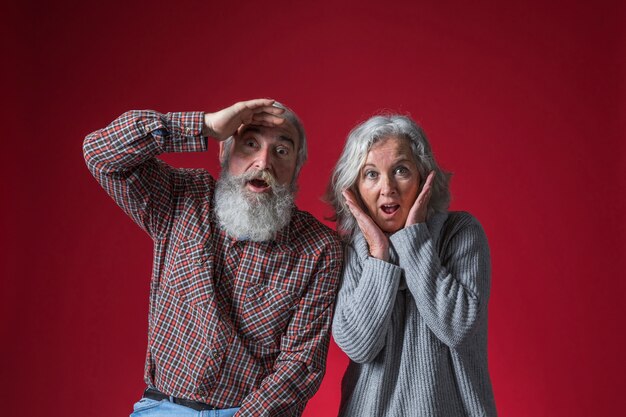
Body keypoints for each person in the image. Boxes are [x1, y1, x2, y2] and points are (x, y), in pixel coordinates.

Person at [83, 99, 343, 417]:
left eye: (282, 151)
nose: (264, 162)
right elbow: (101, 153)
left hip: (247, 413)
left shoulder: (319, 249)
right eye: (250, 144)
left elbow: (301, 363)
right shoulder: (183, 196)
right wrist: (205, 125)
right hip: (165, 407)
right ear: (223, 151)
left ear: (296, 168)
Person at [327, 114, 496, 416]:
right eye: (371, 174)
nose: (387, 187)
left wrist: (413, 239)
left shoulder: (460, 233)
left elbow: (456, 328)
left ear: (423, 177)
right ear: (353, 187)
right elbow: (358, 345)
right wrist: (378, 253)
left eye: (401, 170)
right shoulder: (349, 252)